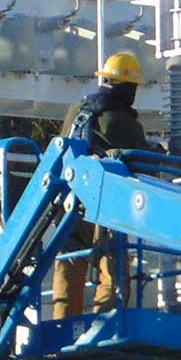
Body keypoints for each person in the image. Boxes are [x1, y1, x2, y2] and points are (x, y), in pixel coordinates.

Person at [51, 52, 159, 318]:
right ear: (127, 87)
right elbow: (143, 160)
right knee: (113, 266)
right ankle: (107, 322)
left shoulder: (77, 111)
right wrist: (159, 151)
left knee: (69, 263)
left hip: (68, 205)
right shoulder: (122, 122)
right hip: (103, 208)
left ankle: (63, 323)